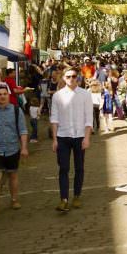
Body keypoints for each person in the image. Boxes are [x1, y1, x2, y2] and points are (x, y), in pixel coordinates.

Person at [0, 83, 29, 220]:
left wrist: (24, 147)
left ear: (8, 95)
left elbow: (23, 130)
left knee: (13, 175)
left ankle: (14, 199)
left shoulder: (16, 110)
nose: (2, 97)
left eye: (4, 94)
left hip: (13, 148)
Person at [50, 68, 93, 212]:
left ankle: (77, 195)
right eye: (68, 76)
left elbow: (89, 118)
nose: (71, 79)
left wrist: (87, 138)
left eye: (74, 76)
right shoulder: (57, 96)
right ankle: (63, 199)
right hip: (63, 136)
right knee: (63, 168)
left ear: (78, 78)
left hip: (80, 136)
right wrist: (55, 139)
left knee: (79, 167)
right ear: (63, 78)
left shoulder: (85, 95)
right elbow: (54, 118)